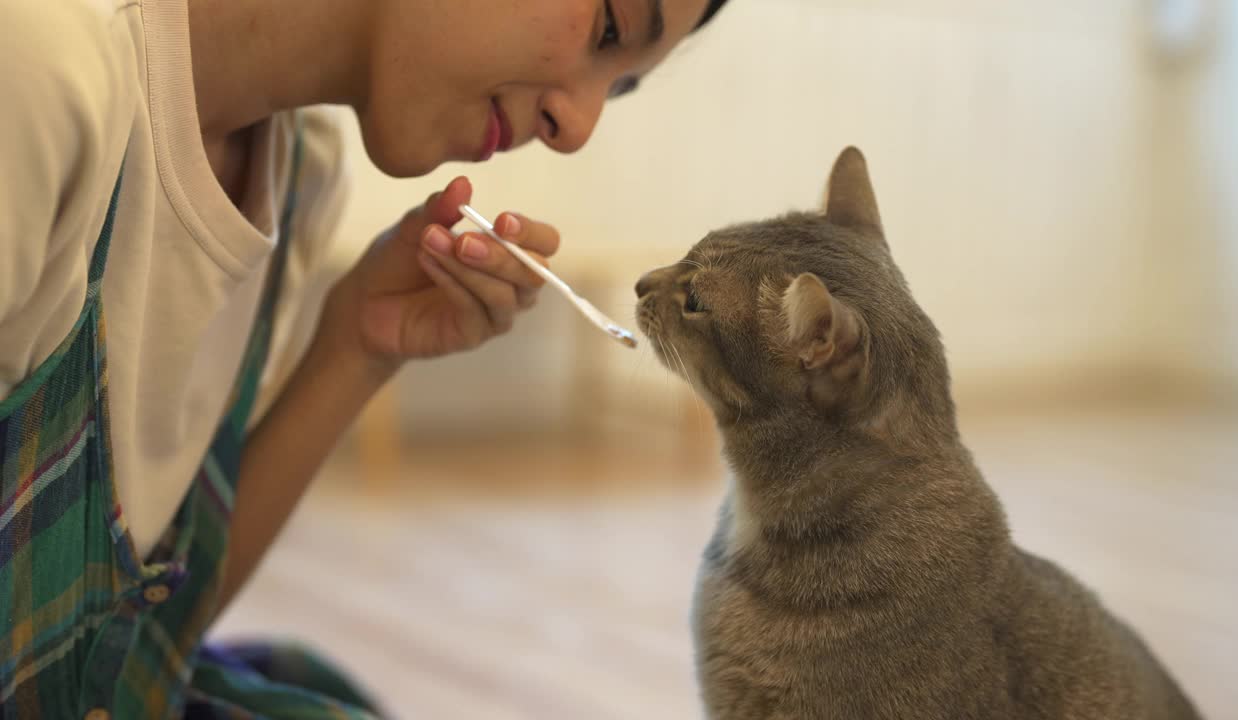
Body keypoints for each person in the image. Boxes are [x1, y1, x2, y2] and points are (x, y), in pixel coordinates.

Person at [0, 0, 730, 715]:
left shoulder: (299, 173)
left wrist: (355, 346)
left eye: (622, 85)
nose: (578, 128)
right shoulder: (42, 66)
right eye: (611, 28)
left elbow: (142, 639)